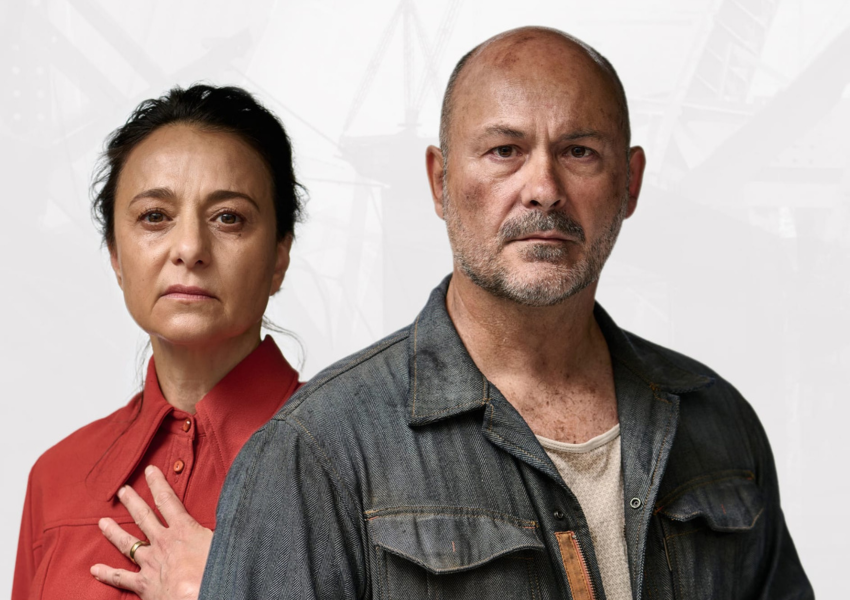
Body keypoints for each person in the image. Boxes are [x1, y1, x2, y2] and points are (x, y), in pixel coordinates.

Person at [191, 27, 814, 600]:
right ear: (439, 183)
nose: (543, 186)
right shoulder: (318, 453)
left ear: (630, 183)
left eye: (579, 151)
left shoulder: (720, 424)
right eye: (504, 150)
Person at [11, 84, 305, 600]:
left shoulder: (359, 460)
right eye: (154, 217)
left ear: (279, 255)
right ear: (116, 256)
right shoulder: (56, 479)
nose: (189, 248)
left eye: (229, 218)